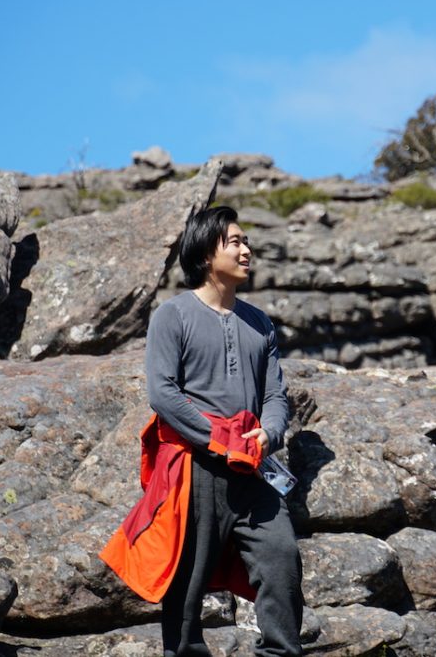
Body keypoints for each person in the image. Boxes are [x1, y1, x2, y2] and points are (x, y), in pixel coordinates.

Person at [101, 206, 303, 657]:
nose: (247, 250)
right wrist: (217, 439)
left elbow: (275, 397)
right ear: (206, 252)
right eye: (235, 242)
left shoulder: (260, 323)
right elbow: (164, 395)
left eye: (247, 242)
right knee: (187, 582)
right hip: (196, 470)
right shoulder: (172, 316)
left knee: (281, 560)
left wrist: (269, 433)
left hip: (253, 470)